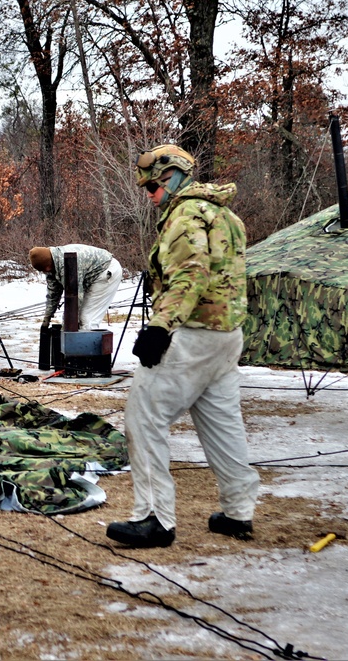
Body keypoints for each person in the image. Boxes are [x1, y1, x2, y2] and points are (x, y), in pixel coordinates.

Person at [106, 144, 260, 548]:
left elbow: (191, 275)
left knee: (143, 417)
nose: (150, 196)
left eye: (152, 187)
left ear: (173, 178)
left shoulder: (185, 215)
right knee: (222, 424)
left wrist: (160, 327)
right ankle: (238, 512)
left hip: (192, 334)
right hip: (226, 336)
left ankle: (153, 518)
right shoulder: (225, 215)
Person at [28, 244, 122, 330]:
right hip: (91, 277)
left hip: (106, 271)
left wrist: (66, 326)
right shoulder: (51, 265)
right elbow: (53, 294)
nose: (46, 271)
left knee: (87, 319)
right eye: (43, 270)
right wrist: (46, 319)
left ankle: (87, 342)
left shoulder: (67, 263)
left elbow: (75, 296)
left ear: (48, 262)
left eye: (46, 268)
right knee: (78, 319)